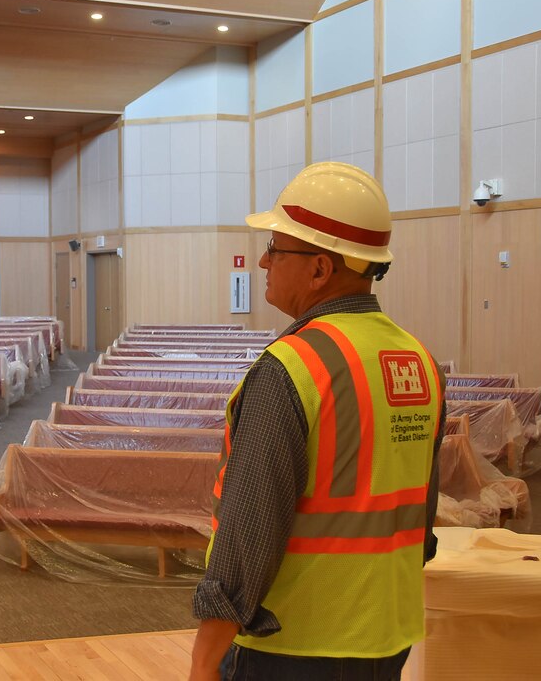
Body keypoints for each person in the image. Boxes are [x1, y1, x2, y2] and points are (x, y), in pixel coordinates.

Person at [189, 162, 445, 681]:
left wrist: (203, 660)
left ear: (320, 270)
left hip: (295, 644)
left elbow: (248, 536)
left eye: (276, 250)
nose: (263, 260)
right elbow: (420, 519)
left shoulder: (293, 369)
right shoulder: (419, 361)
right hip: (386, 636)